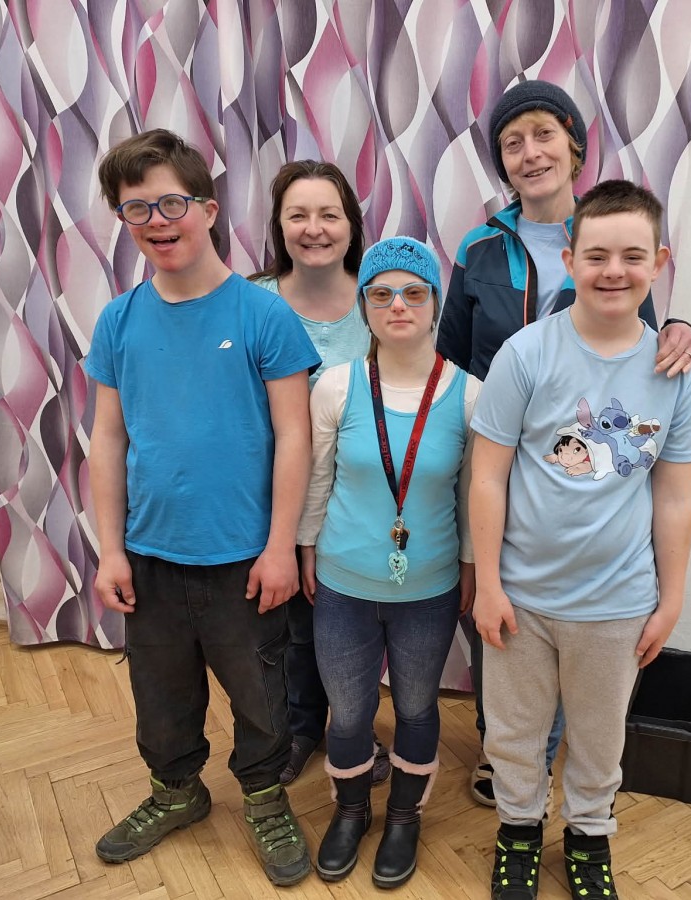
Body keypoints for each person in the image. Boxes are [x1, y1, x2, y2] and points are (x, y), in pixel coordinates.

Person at [436, 78, 691, 807]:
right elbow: (451, 355)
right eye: (512, 143)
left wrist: (687, 330)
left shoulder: (609, 232)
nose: (530, 153)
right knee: (500, 612)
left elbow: (641, 342)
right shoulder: (480, 247)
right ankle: (505, 753)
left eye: (544, 135)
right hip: (496, 457)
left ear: (575, 146)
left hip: (583, 468)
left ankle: (556, 763)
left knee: (578, 645)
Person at [85, 129, 320, 887]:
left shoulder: (263, 315)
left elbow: (294, 437)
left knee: (260, 694)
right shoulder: (119, 321)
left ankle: (265, 797)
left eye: (171, 203)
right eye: (136, 209)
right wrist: (110, 550)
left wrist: (280, 546)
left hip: (243, 557)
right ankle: (176, 791)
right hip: (149, 552)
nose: (156, 222)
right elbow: (107, 440)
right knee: (159, 692)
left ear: (208, 210)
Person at [469, 180, 691, 900]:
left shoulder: (676, 372)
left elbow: (675, 494)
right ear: (569, 260)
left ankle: (589, 835)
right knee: (514, 734)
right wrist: (488, 585)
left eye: (632, 256)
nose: (613, 271)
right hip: (523, 598)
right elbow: (488, 477)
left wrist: (671, 598)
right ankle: (518, 830)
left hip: (618, 602)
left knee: (600, 737)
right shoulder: (525, 354)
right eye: (596, 255)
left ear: (659, 262)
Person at [298, 237, 481, 888]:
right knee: (348, 714)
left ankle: (405, 816)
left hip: (429, 590)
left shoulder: (468, 395)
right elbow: (317, 480)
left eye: (413, 292)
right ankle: (351, 810)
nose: (397, 305)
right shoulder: (336, 386)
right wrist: (306, 547)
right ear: (365, 308)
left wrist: (470, 566)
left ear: (434, 304)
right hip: (342, 585)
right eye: (381, 294)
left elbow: (472, 497)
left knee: (417, 709)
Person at [250, 160, 391, 789]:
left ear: (352, 224)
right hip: (271, 494)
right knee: (289, 629)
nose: (314, 229)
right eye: (298, 215)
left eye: (329, 214)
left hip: (360, 498)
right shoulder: (253, 300)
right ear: (279, 226)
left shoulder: (380, 299)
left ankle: (354, 729)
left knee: (351, 624)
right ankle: (298, 728)